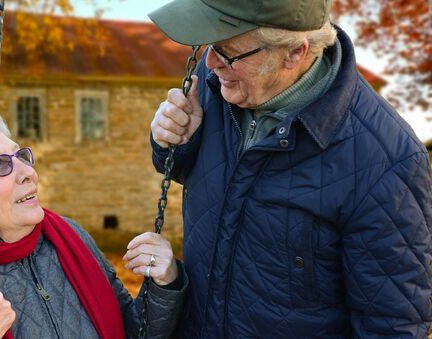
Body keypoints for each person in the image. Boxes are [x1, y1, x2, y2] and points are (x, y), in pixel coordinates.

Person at [148, 0, 432, 337]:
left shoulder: (385, 160)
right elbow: (194, 175)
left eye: (228, 52)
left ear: (294, 53)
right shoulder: (215, 82)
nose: (210, 63)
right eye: (211, 45)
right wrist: (173, 142)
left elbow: (392, 325)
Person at [0, 104, 187, 338]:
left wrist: (163, 284)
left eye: (21, 156)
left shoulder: (70, 238)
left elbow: (131, 331)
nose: (27, 172)